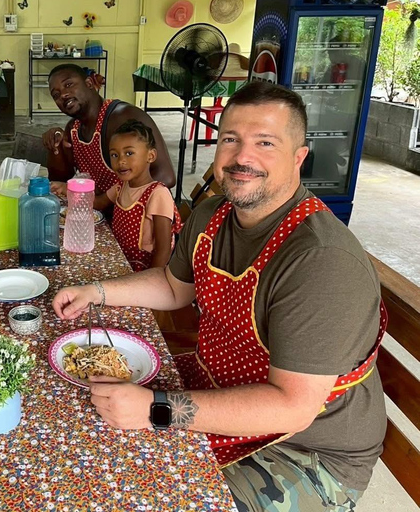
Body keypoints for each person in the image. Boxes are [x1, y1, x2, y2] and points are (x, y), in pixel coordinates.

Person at [52, 82, 386, 512]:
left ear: (299, 157)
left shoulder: (320, 261)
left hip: (306, 450)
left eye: (265, 142)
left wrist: (154, 410)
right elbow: (174, 286)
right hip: (217, 383)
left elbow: (291, 408)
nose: (243, 157)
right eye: (231, 139)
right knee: (89, 440)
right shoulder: (214, 215)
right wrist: (95, 292)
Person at [42, 63, 176, 197]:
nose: (63, 95)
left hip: (141, 213)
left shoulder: (123, 117)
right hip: (103, 211)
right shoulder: (73, 129)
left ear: (89, 83)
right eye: (56, 95)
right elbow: (61, 181)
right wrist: (55, 146)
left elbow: (165, 176)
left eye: (68, 85)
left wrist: (108, 201)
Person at [93, 120, 181, 271]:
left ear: (151, 156)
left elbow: (163, 250)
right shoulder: (121, 186)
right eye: (114, 155)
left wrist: (148, 283)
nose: (121, 161)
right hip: (120, 260)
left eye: (129, 153)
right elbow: (97, 204)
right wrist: (72, 190)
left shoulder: (157, 194)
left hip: (142, 271)